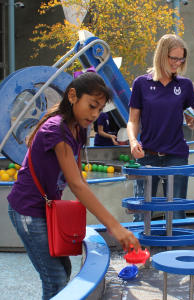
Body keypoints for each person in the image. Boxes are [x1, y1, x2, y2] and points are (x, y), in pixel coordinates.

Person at [7, 72, 141, 300]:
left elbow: (79, 179)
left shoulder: (77, 128)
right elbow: (77, 185)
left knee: (64, 270)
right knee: (56, 279)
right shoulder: (55, 129)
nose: (95, 114)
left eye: (100, 109)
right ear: (72, 96)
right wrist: (115, 227)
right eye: (92, 105)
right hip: (28, 210)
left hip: (45, 209)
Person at [127, 34, 194, 221]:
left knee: (177, 212)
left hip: (176, 156)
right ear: (162, 55)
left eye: (181, 59)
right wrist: (132, 141)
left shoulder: (185, 85)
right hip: (148, 155)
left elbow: (190, 123)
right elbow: (133, 120)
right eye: (174, 58)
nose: (178, 63)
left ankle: (177, 249)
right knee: (142, 212)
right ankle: (142, 250)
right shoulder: (141, 83)